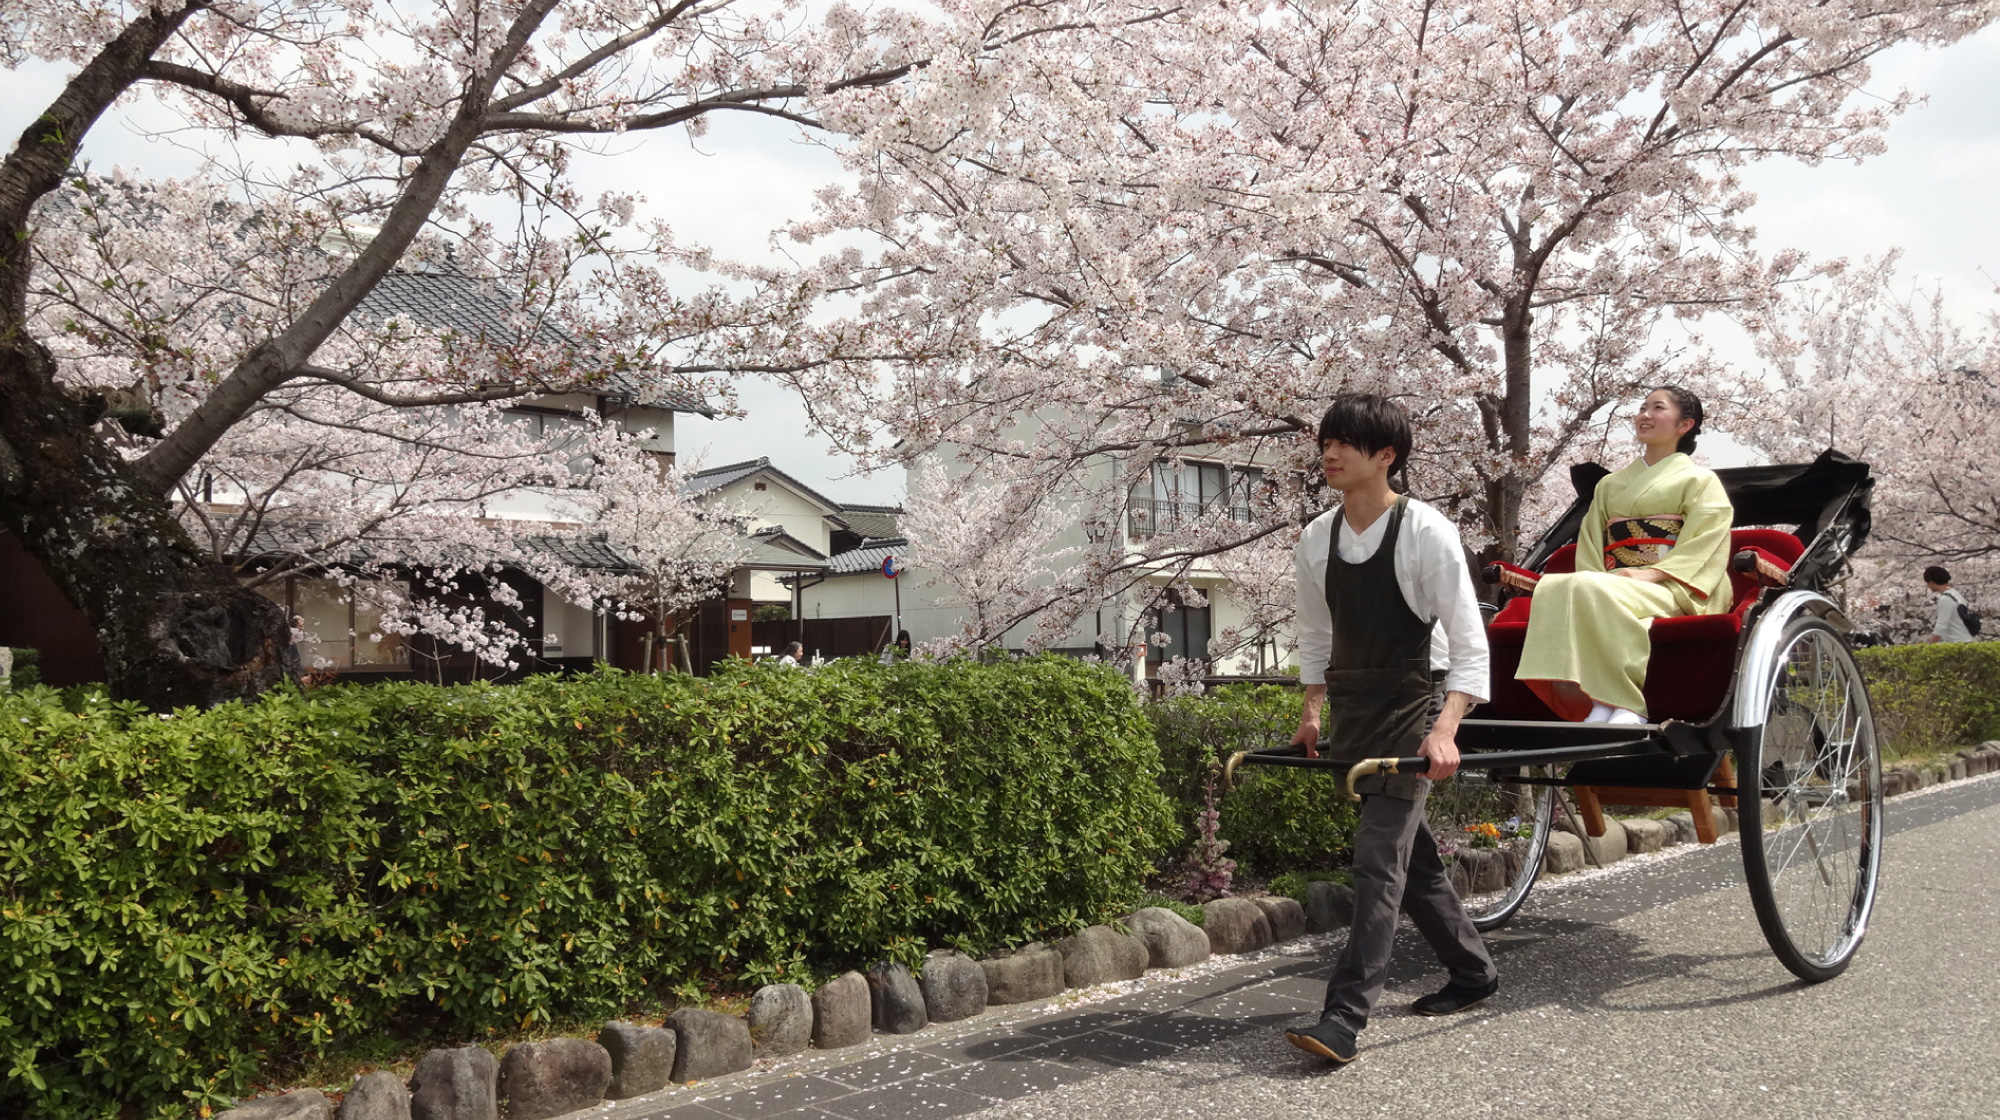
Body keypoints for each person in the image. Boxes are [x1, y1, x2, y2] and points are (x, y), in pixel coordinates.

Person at [1282, 394, 1497, 1066]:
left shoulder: (1423, 531)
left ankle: (1344, 1019)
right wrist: (1313, 710)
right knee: (1415, 859)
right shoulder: (1317, 538)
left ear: (1386, 456)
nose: (1330, 453)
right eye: (1326, 441)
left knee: (1378, 858)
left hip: (1411, 702)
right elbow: (1316, 634)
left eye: (1346, 443)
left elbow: (1469, 641)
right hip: (1354, 704)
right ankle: (1472, 972)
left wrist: (1446, 729)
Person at [1515, 387, 1734, 724]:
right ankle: (1600, 699)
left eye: (1657, 408)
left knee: (1589, 591)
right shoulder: (1610, 485)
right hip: (1617, 583)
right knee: (1558, 587)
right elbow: (1591, 542)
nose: (1644, 415)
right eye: (1642, 407)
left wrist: (1652, 573)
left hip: (1673, 586)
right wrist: (1601, 578)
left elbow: (1706, 539)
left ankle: (1628, 704)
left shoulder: (1700, 480)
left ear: (1684, 424)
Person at [1923, 566, 1973, 644]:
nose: (1927, 585)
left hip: (1957, 642)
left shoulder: (1945, 599)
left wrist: (1929, 645)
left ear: (1931, 582)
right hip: (1966, 639)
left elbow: (1941, 625)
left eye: (1927, 582)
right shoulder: (1955, 594)